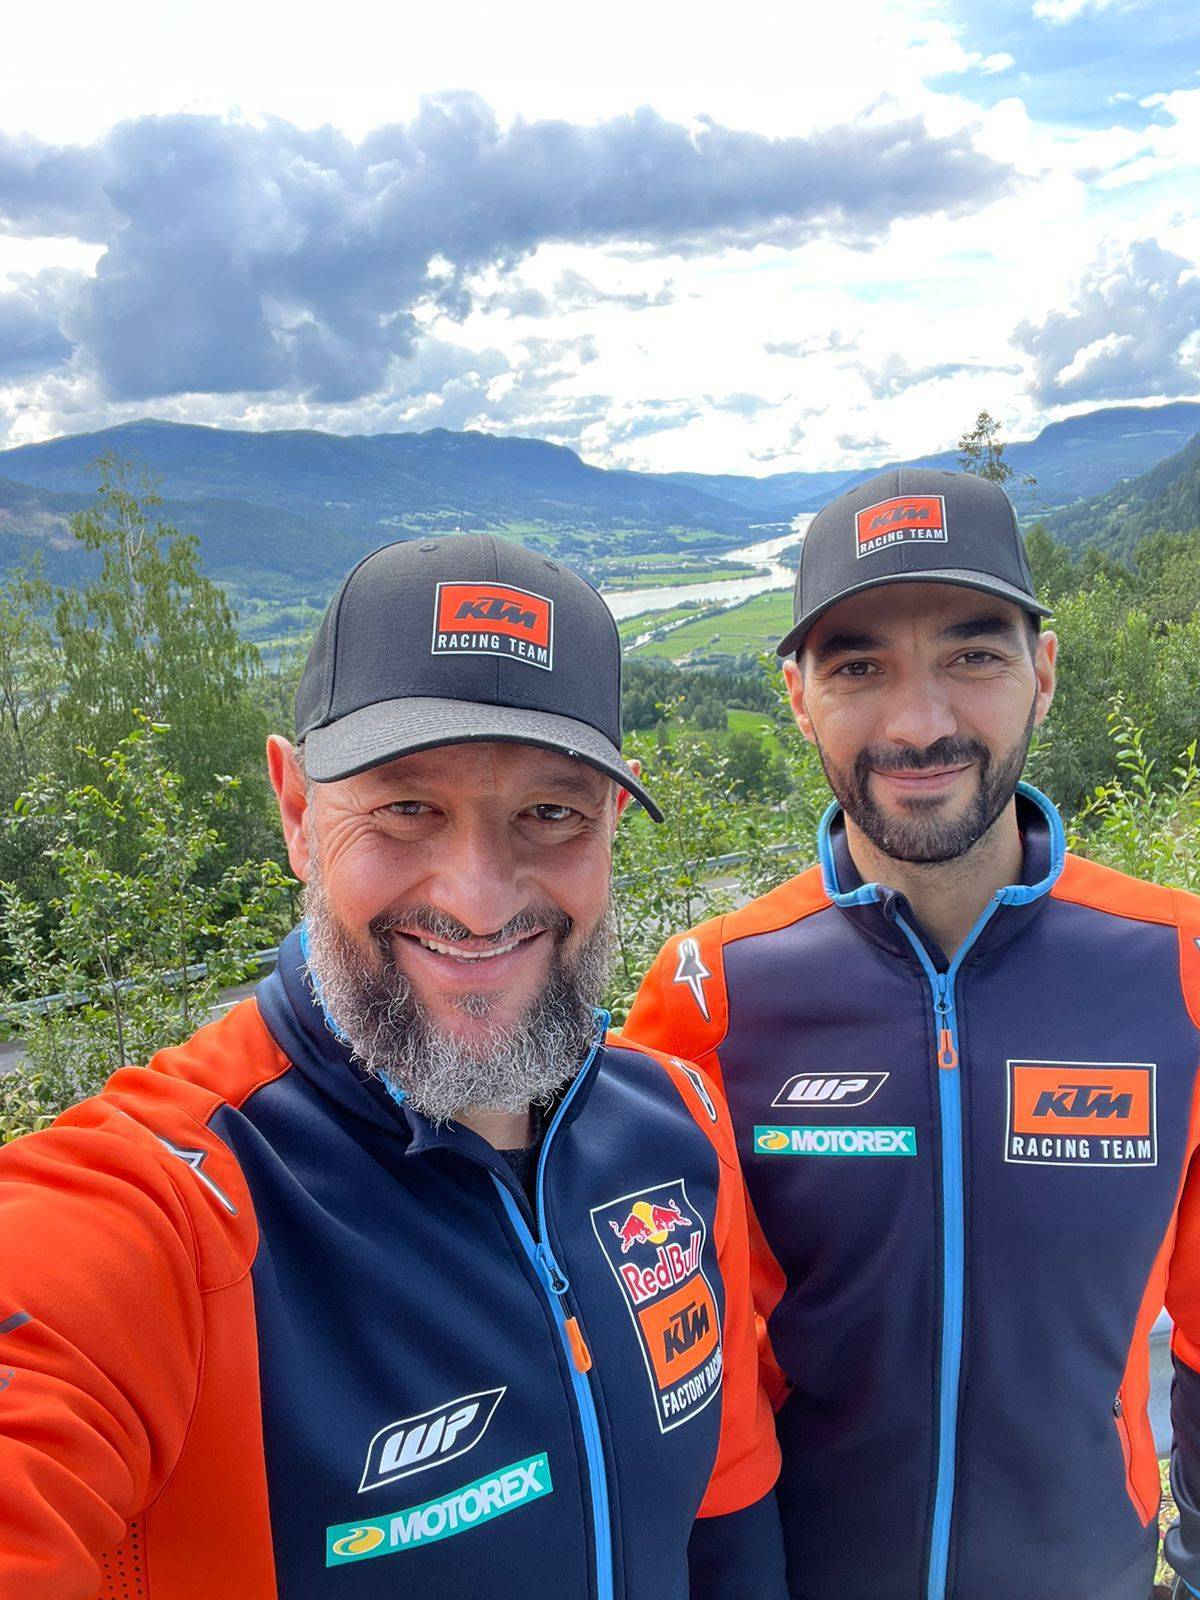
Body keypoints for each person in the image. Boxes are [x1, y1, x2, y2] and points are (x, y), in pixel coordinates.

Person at [0, 534, 786, 1600]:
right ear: (296, 811)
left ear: (613, 820)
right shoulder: (169, 1211)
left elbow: (728, 1519)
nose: (478, 900)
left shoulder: (679, 1123)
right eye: (406, 808)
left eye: (550, 813)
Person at [625, 468, 1200, 1600]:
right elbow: (671, 1371)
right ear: (798, 698)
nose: (920, 723)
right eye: (859, 667)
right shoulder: (709, 994)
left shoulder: (1178, 970)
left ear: (1044, 672)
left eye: (972, 655)